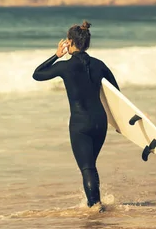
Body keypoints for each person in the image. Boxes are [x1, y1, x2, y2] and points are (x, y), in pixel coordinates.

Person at [32, 21, 119, 211]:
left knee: (87, 168)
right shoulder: (99, 65)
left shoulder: (65, 67)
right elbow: (116, 94)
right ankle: (96, 204)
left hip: (81, 124)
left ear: (70, 43)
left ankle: (95, 208)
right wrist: (119, 123)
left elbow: (37, 74)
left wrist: (56, 55)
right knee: (90, 166)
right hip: (100, 122)